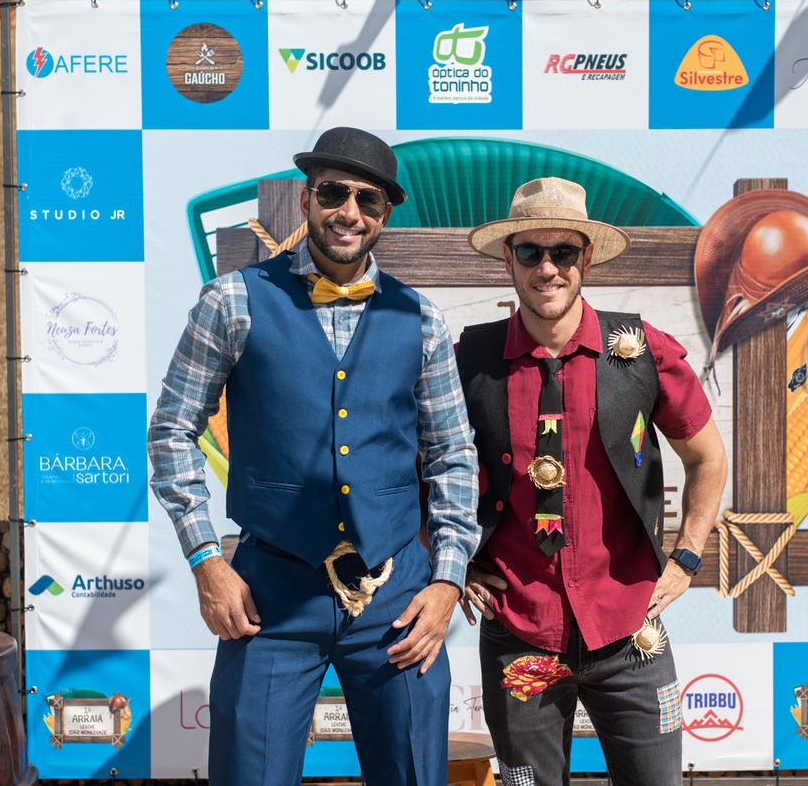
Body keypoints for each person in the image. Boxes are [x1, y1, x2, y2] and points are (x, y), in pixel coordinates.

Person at [147, 127, 479, 786]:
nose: (349, 212)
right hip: (269, 594)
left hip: (395, 595)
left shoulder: (421, 318)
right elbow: (172, 431)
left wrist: (447, 581)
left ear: (385, 216)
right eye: (333, 193)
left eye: (368, 200)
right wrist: (206, 560)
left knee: (415, 774)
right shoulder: (232, 301)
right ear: (306, 199)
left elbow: (453, 457)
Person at [455, 177, 728, 786]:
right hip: (519, 631)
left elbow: (708, 458)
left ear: (588, 258)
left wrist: (686, 558)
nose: (547, 268)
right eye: (531, 251)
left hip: (631, 631)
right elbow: (422, 470)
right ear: (508, 260)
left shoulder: (642, 352)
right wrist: (452, 562)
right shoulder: (468, 361)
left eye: (564, 252)